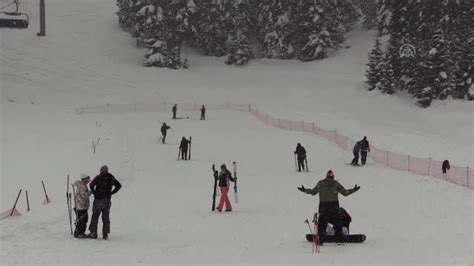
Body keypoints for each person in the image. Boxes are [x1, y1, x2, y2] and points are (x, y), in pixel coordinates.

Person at [298, 170, 360, 243]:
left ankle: (320, 239)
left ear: (326, 176)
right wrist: (354, 190)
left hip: (323, 206)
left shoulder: (321, 183)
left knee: (322, 223)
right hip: (334, 206)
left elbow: (313, 192)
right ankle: (339, 239)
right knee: (338, 223)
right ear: (333, 177)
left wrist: (305, 190)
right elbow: (345, 193)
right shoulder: (336, 184)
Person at [87, 166, 122, 240]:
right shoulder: (111, 177)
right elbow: (119, 185)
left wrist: (94, 192)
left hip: (98, 200)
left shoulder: (98, 177)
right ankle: (105, 234)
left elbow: (91, 184)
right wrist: (112, 192)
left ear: (101, 170)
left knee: (95, 217)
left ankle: (93, 233)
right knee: (106, 217)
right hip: (107, 200)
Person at [72, 174, 91, 238]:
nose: (88, 181)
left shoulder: (81, 185)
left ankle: (78, 232)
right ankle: (80, 233)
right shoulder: (82, 186)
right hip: (81, 206)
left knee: (80, 220)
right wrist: (90, 192)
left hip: (80, 206)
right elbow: (84, 195)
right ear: (85, 180)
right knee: (83, 220)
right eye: (87, 180)